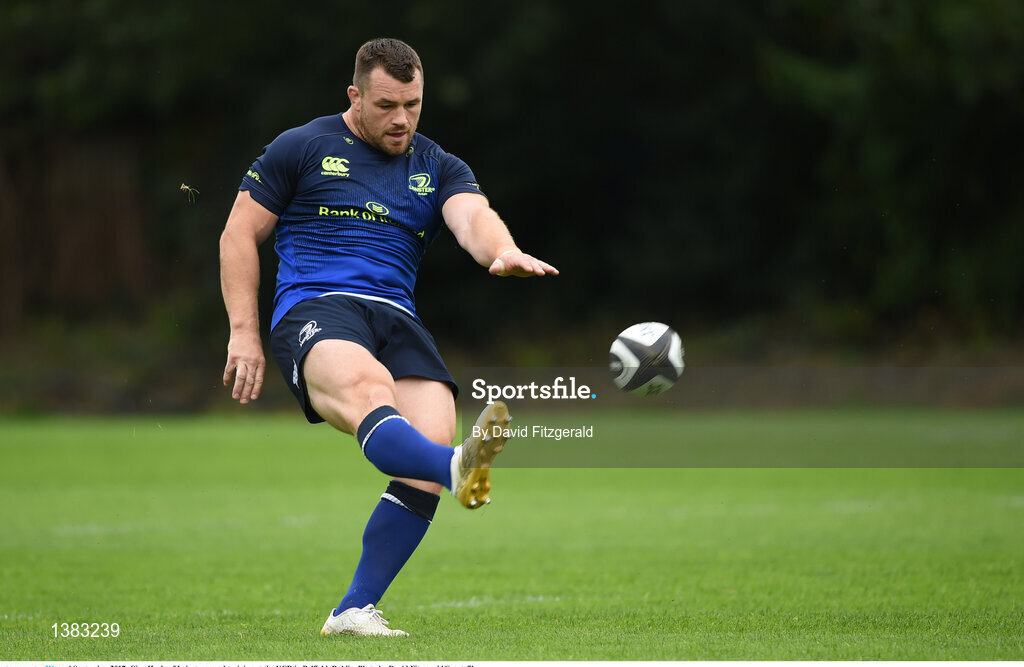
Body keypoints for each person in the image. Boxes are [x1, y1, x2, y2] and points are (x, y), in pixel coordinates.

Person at [218, 37, 558, 638]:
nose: (401, 118)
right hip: (317, 306)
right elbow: (238, 234)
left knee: (423, 454)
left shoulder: (437, 164)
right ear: (355, 96)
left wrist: (501, 250)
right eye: (386, 105)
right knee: (369, 388)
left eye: (413, 104)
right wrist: (243, 331)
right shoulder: (302, 147)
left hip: (396, 317)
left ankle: (353, 609)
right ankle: (458, 468)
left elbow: (471, 216)